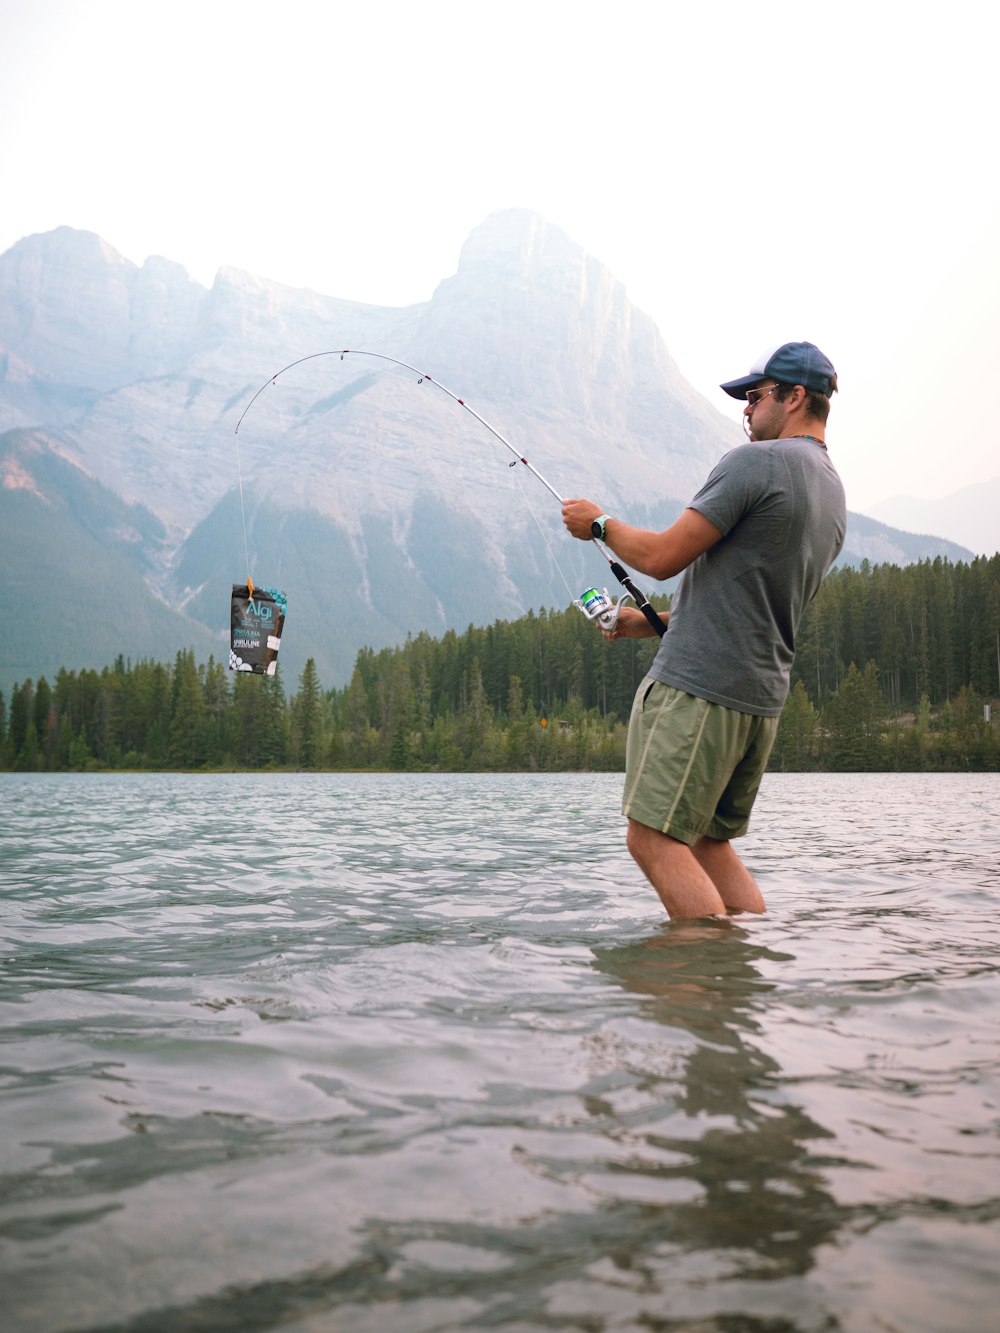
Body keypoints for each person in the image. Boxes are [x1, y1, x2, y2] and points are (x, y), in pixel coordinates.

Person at [562, 341, 846, 920]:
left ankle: (701, 990)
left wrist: (598, 523)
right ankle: (738, 983)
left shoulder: (757, 463)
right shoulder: (833, 493)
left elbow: (663, 557)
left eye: (755, 395)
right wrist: (650, 623)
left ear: (795, 398)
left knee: (654, 839)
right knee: (708, 842)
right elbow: (760, 601)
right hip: (758, 702)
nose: (744, 408)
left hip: (700, 690)